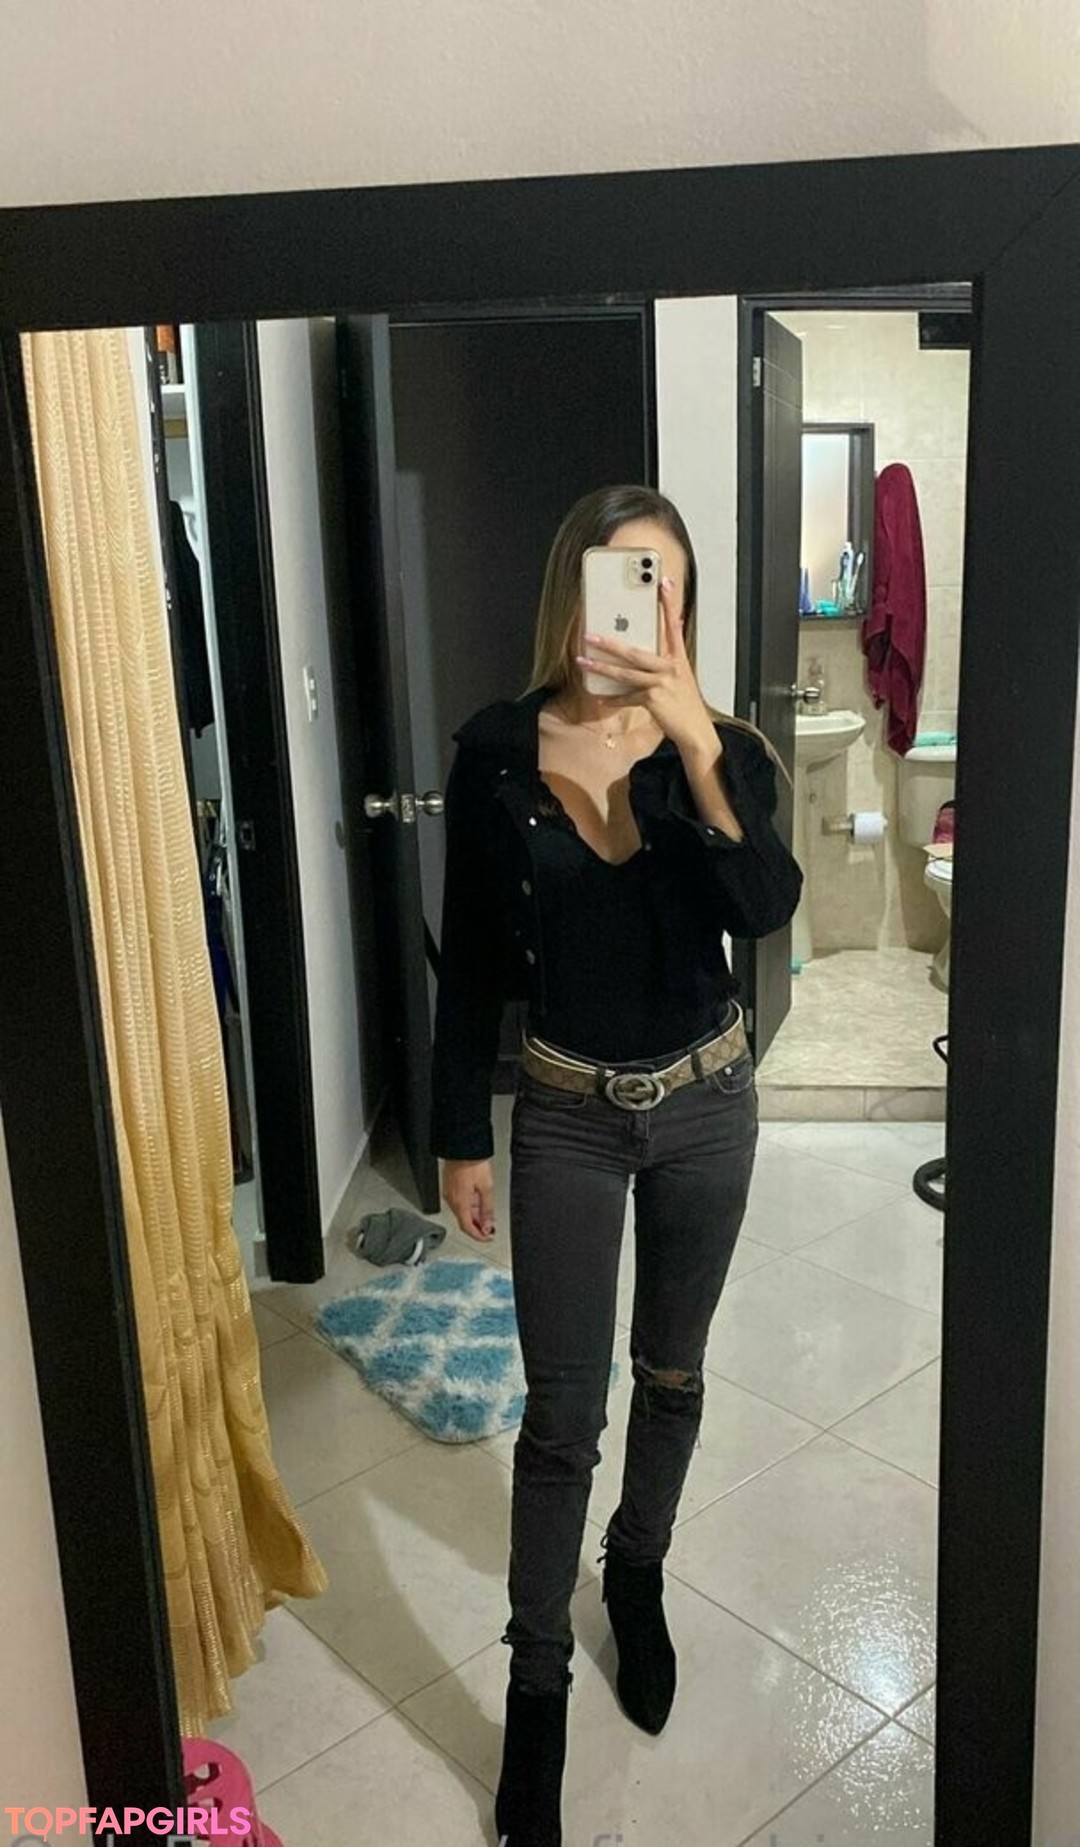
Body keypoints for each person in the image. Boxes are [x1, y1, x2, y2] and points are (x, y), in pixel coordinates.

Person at [430, 485, 803, 1847]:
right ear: (572, 592)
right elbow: (473, 958)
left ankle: (635, 1571)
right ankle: (536, 1684)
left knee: (673, 1373)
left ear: (683, 609)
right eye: (619, 579)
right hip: (567, 1115)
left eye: (666, 586)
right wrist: (458, 1134)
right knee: (558, 1418)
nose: (643, 608)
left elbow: (765, 909)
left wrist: (696, 743)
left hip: (706, 1106)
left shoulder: (724, 754)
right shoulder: (494, 753)